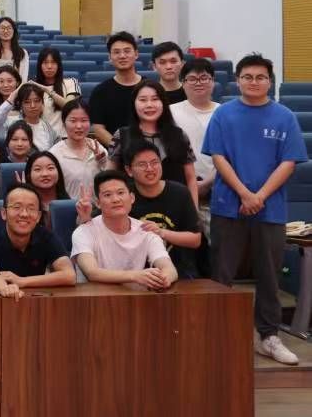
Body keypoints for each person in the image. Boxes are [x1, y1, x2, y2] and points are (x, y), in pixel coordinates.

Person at [204, 53, 307, 366]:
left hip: (269, 207)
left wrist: (258, 196)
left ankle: (268, 336)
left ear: (269, 81)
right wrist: (244, 194)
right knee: (222, 274)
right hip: (228, 205)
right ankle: (217, 335)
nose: (254, 82)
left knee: (269, 275)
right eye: (247, 77)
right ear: (238, 80)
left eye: (260, 77)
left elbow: (288, 162)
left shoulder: (284, 116)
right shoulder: (223, 114)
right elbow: (218, 157)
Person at [70, 170, 177, 291]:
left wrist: (164, 278)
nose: (116, 199)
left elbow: (169, 269)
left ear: (132, 198)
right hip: (95, 298)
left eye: (120, 192)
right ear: (98, 203)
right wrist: (135, 276)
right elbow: (92, 272)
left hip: (135, 298)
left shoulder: (146, 230)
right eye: (107, 195)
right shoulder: (84, 232)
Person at [0, 183, 76, 299]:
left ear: (38, 216)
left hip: (34, 302)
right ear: (4, 213)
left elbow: (70, 275)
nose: (24, 214)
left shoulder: (46, 237)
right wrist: (5, 288)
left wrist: (21, 281)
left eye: (31, 208)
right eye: (17, 207)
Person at [107, 81, 199, 206]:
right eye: (143, 100)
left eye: (155, 99)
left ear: (163, 103)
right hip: (134, 208)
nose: (149, 105)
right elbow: (109, 175)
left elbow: (191, 178)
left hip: (175, 206)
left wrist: (193, 210)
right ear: (134, 104)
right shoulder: (122, 135)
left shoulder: (179, 135)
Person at [123, 143, 202, 280]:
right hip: (136, 274)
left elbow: (195, 240)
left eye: (155, 162)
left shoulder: (180, 193)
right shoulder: (123, 196)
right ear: (129, 170)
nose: (150, 169)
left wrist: (161, 232)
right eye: (142, 164)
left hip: (179, 272)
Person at [170, 58, 219, 237]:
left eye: (204, 78)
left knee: (217, 246)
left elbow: (231, 155)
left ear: (213, 81)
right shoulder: (170, 112)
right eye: (192, 79)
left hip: (218, 190)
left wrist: (207, 183)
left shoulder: (224, 113)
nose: (198, 83)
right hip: (180, 190)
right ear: (183, 83)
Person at [89, 32, 143, 146]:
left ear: (136, 54)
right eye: (116, 52)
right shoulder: (100, 92)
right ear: (109, 57)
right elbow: (98, 129)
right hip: (115, 151)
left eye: (127, 51)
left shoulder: (149, 88)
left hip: (148, 150)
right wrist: (120, 149)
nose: (122, 56)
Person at [50, 99, 109, 199]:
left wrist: (102, 161)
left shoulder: (98, 148)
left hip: (97, 207)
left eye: (84, 120)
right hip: (68, 207)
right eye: (73, 121)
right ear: (64, 123)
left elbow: (110, 180)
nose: (79, 126)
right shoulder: (54, 154)